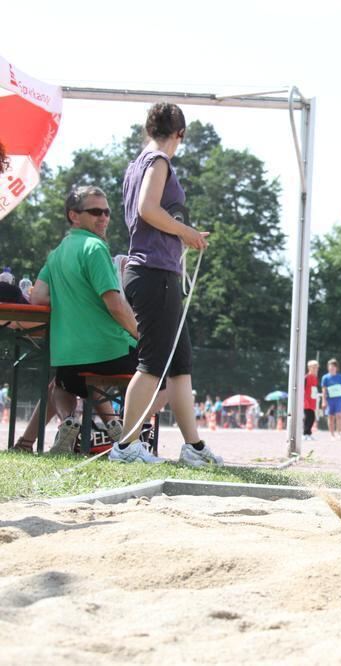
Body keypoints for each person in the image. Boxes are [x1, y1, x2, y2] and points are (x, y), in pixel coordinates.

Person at [117, 102, 221, 466]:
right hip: (154, 272)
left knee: (180, 364)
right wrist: (187, 233)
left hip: (155, 272)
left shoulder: (136, 165)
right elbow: (148, 209)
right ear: (180, 134)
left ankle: (192, 447)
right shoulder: (158, 161)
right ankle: (126, 446)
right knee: (152, 364)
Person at [26, 186, 150, 454]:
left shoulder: (57, 254)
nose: (104, 217)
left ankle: (68, 421)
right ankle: (129, 437)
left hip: (68, 360)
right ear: (74, 215)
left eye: (106, 212)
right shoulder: (95, 248)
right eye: (95, 212)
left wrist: (69, 297)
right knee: (163, 368)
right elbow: (116, 305)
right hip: (110, 352)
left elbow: (37, 298)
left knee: (60, 383)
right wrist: (142, 336)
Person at [320, 359, 341, 440]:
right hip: (329, 399)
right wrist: (324, 401)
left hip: (339, 398)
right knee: (330, 417)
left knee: (339, 416)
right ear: (328, 367)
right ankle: (332, 435)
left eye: (333, 367)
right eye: (330, 366)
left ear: (336, 368)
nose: (332, 368)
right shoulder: (325, 377)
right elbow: (324, 390)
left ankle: (339, 433)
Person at [303, 360, 320, 440]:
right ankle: (305, 434)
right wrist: (304, 400)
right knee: (309, 417)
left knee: (312, 417)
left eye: (316, 368)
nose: (315, 369)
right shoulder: (306, 377)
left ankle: (308, 433)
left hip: (312, 401)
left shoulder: (315, 378)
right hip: (306, 401)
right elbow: (303, 389)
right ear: (309, 368)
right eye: (313, 367)